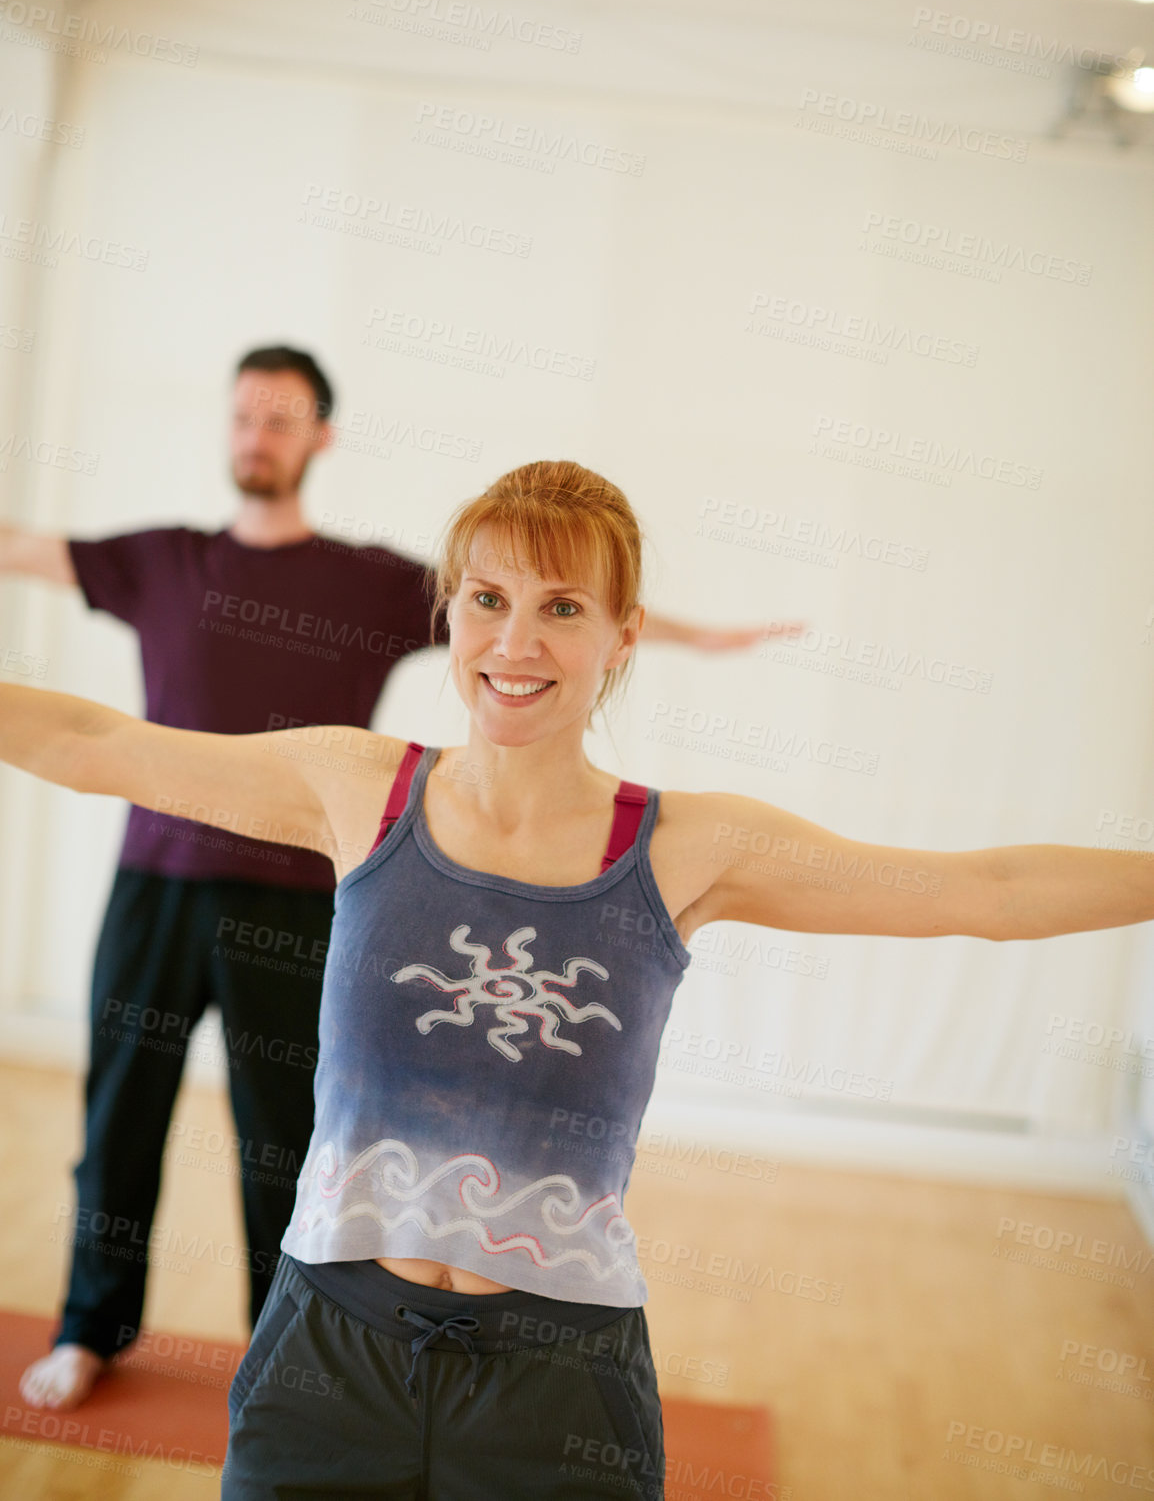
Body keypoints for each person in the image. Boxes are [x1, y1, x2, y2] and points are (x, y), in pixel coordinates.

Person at [1, 458, 1149, 1499]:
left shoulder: (686, 847)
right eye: (488, 600)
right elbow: (94, 744)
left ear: (622, 633)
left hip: (560, 1391)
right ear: (448, 612)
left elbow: (983, 892)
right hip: (322, 1356)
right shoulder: (355, 787)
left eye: (562, 608)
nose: (516, 642)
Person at [1, 359, 803, 1413]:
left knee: (285, 1140)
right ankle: (88, 1325)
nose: (258, 432)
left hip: (294, 903)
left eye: (281, 417)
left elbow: (537, 616)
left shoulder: (368, 582)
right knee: (119, 1117)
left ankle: (280, 1337)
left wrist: (700, 634)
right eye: (244, 413)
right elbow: (27, 567)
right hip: (155, 884)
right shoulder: (162, 558)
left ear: (319, 437)